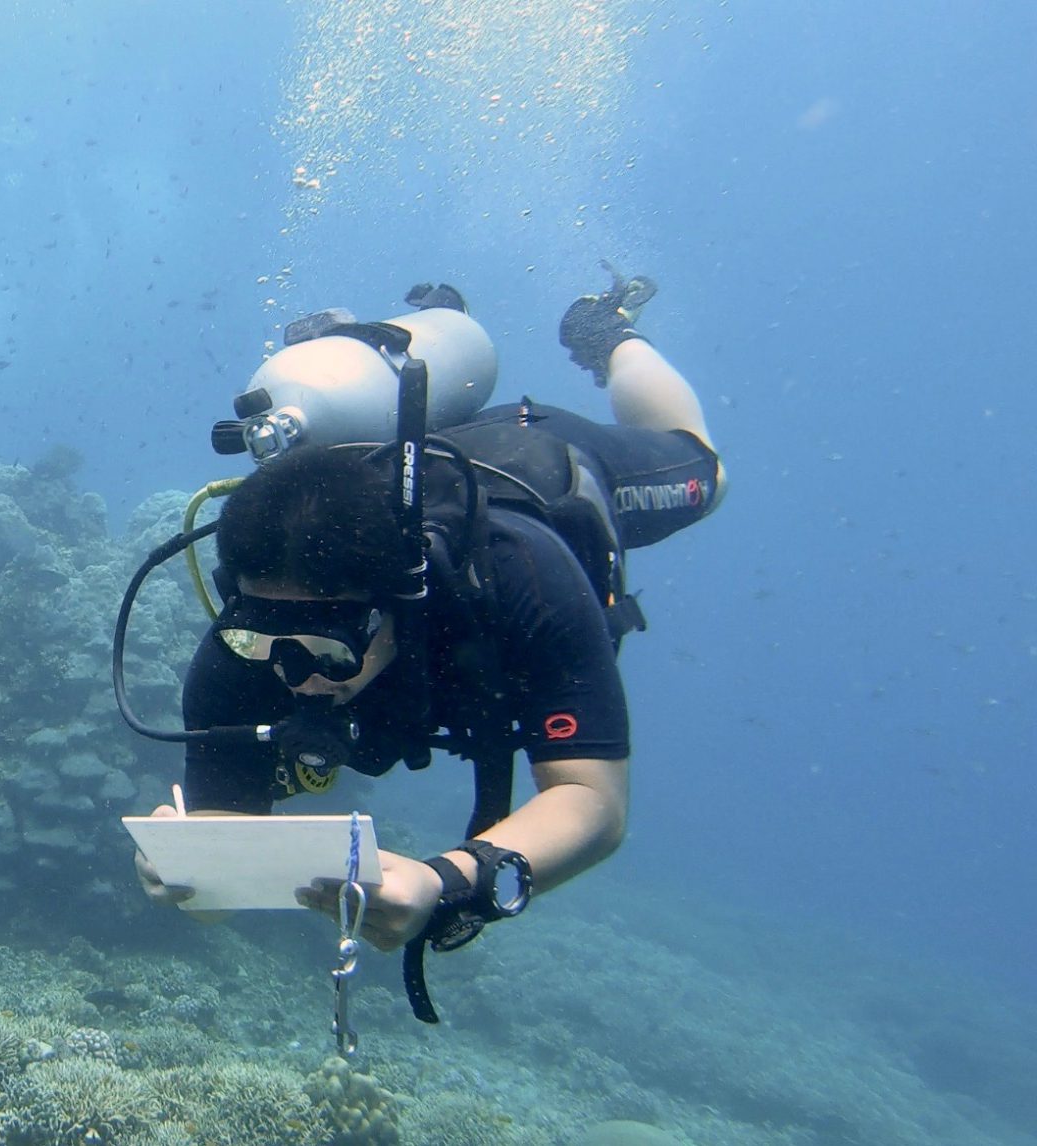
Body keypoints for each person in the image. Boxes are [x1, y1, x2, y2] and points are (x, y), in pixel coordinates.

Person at [128, 271, 724, 1022]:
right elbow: (222, 852)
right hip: (382, 480)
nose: (295, 678)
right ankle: (384, 341)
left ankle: (611, 336)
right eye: (263, 641)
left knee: (706, 466)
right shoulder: (242, 646)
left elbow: (591, 801)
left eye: (329, 651)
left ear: (394, 610)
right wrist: (189, 870)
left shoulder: (522, 579)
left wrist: (448, 881)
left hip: (548, 462)